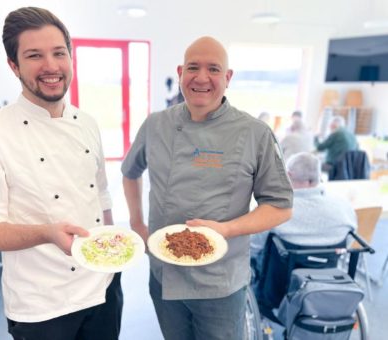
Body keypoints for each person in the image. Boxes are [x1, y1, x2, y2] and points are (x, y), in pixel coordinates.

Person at [0, 7, 122, 340]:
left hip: (103, 287)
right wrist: (47, 233)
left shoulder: (87, 123)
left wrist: (113, 252)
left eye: (59, 53)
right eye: (34, 55)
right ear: (13, 65)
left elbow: (100, 193)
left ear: (71, 58)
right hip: (41, 305)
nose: (51, 66)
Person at [121, 36, 293, 340]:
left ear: (227, 78)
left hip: (220, 284)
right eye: (193, 68)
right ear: (180, 72)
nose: (202, 77)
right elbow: (130, 172)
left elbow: (280, 206)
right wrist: (136, 222)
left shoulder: (255, 133)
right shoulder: (155, 125)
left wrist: (227, 229)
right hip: (164, 275)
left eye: (213, 69)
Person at [251, 152, 357, 263]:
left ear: (288, 175)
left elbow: (251, 248)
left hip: (279, 276)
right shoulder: (344, 206)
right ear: (318, 176)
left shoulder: (272, 209)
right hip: (328, 274)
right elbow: (348, 239)